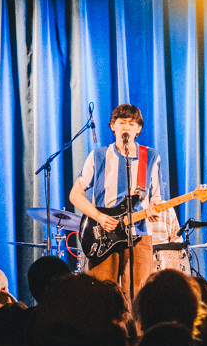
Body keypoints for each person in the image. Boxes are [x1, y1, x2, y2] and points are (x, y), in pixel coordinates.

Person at [69, 104, 165, 299]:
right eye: (121, 123)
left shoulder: (151, 156)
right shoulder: (98, 155)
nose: (126, 127)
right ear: (113, 126)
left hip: (139, 233)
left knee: (138, 295)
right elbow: (75, 194)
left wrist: (154, 209)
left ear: (138, 128)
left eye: (132, 123)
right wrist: (99, 217)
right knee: (101, 294)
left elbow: (156, 198)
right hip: (103, 233)